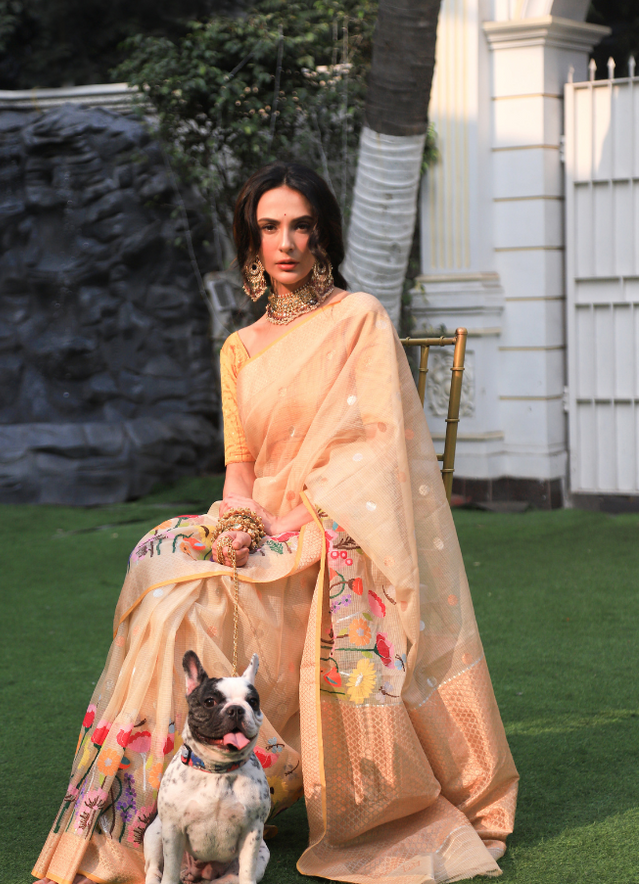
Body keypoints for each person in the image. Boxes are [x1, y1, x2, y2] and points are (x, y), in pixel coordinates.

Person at [33, 161, 518, 884]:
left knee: (186, 602)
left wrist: (289, 522)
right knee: (165, 580)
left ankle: (216, 798)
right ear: (250, 241)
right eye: (268, 227)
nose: (284, 242)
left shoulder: (358, 319)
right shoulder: (239, 348)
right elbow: (239, 464)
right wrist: (235, 520)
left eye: (299, 224)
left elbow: (377, 445)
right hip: (263, 523)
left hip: (335, 523)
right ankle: (158, 817)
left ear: (321, 232)